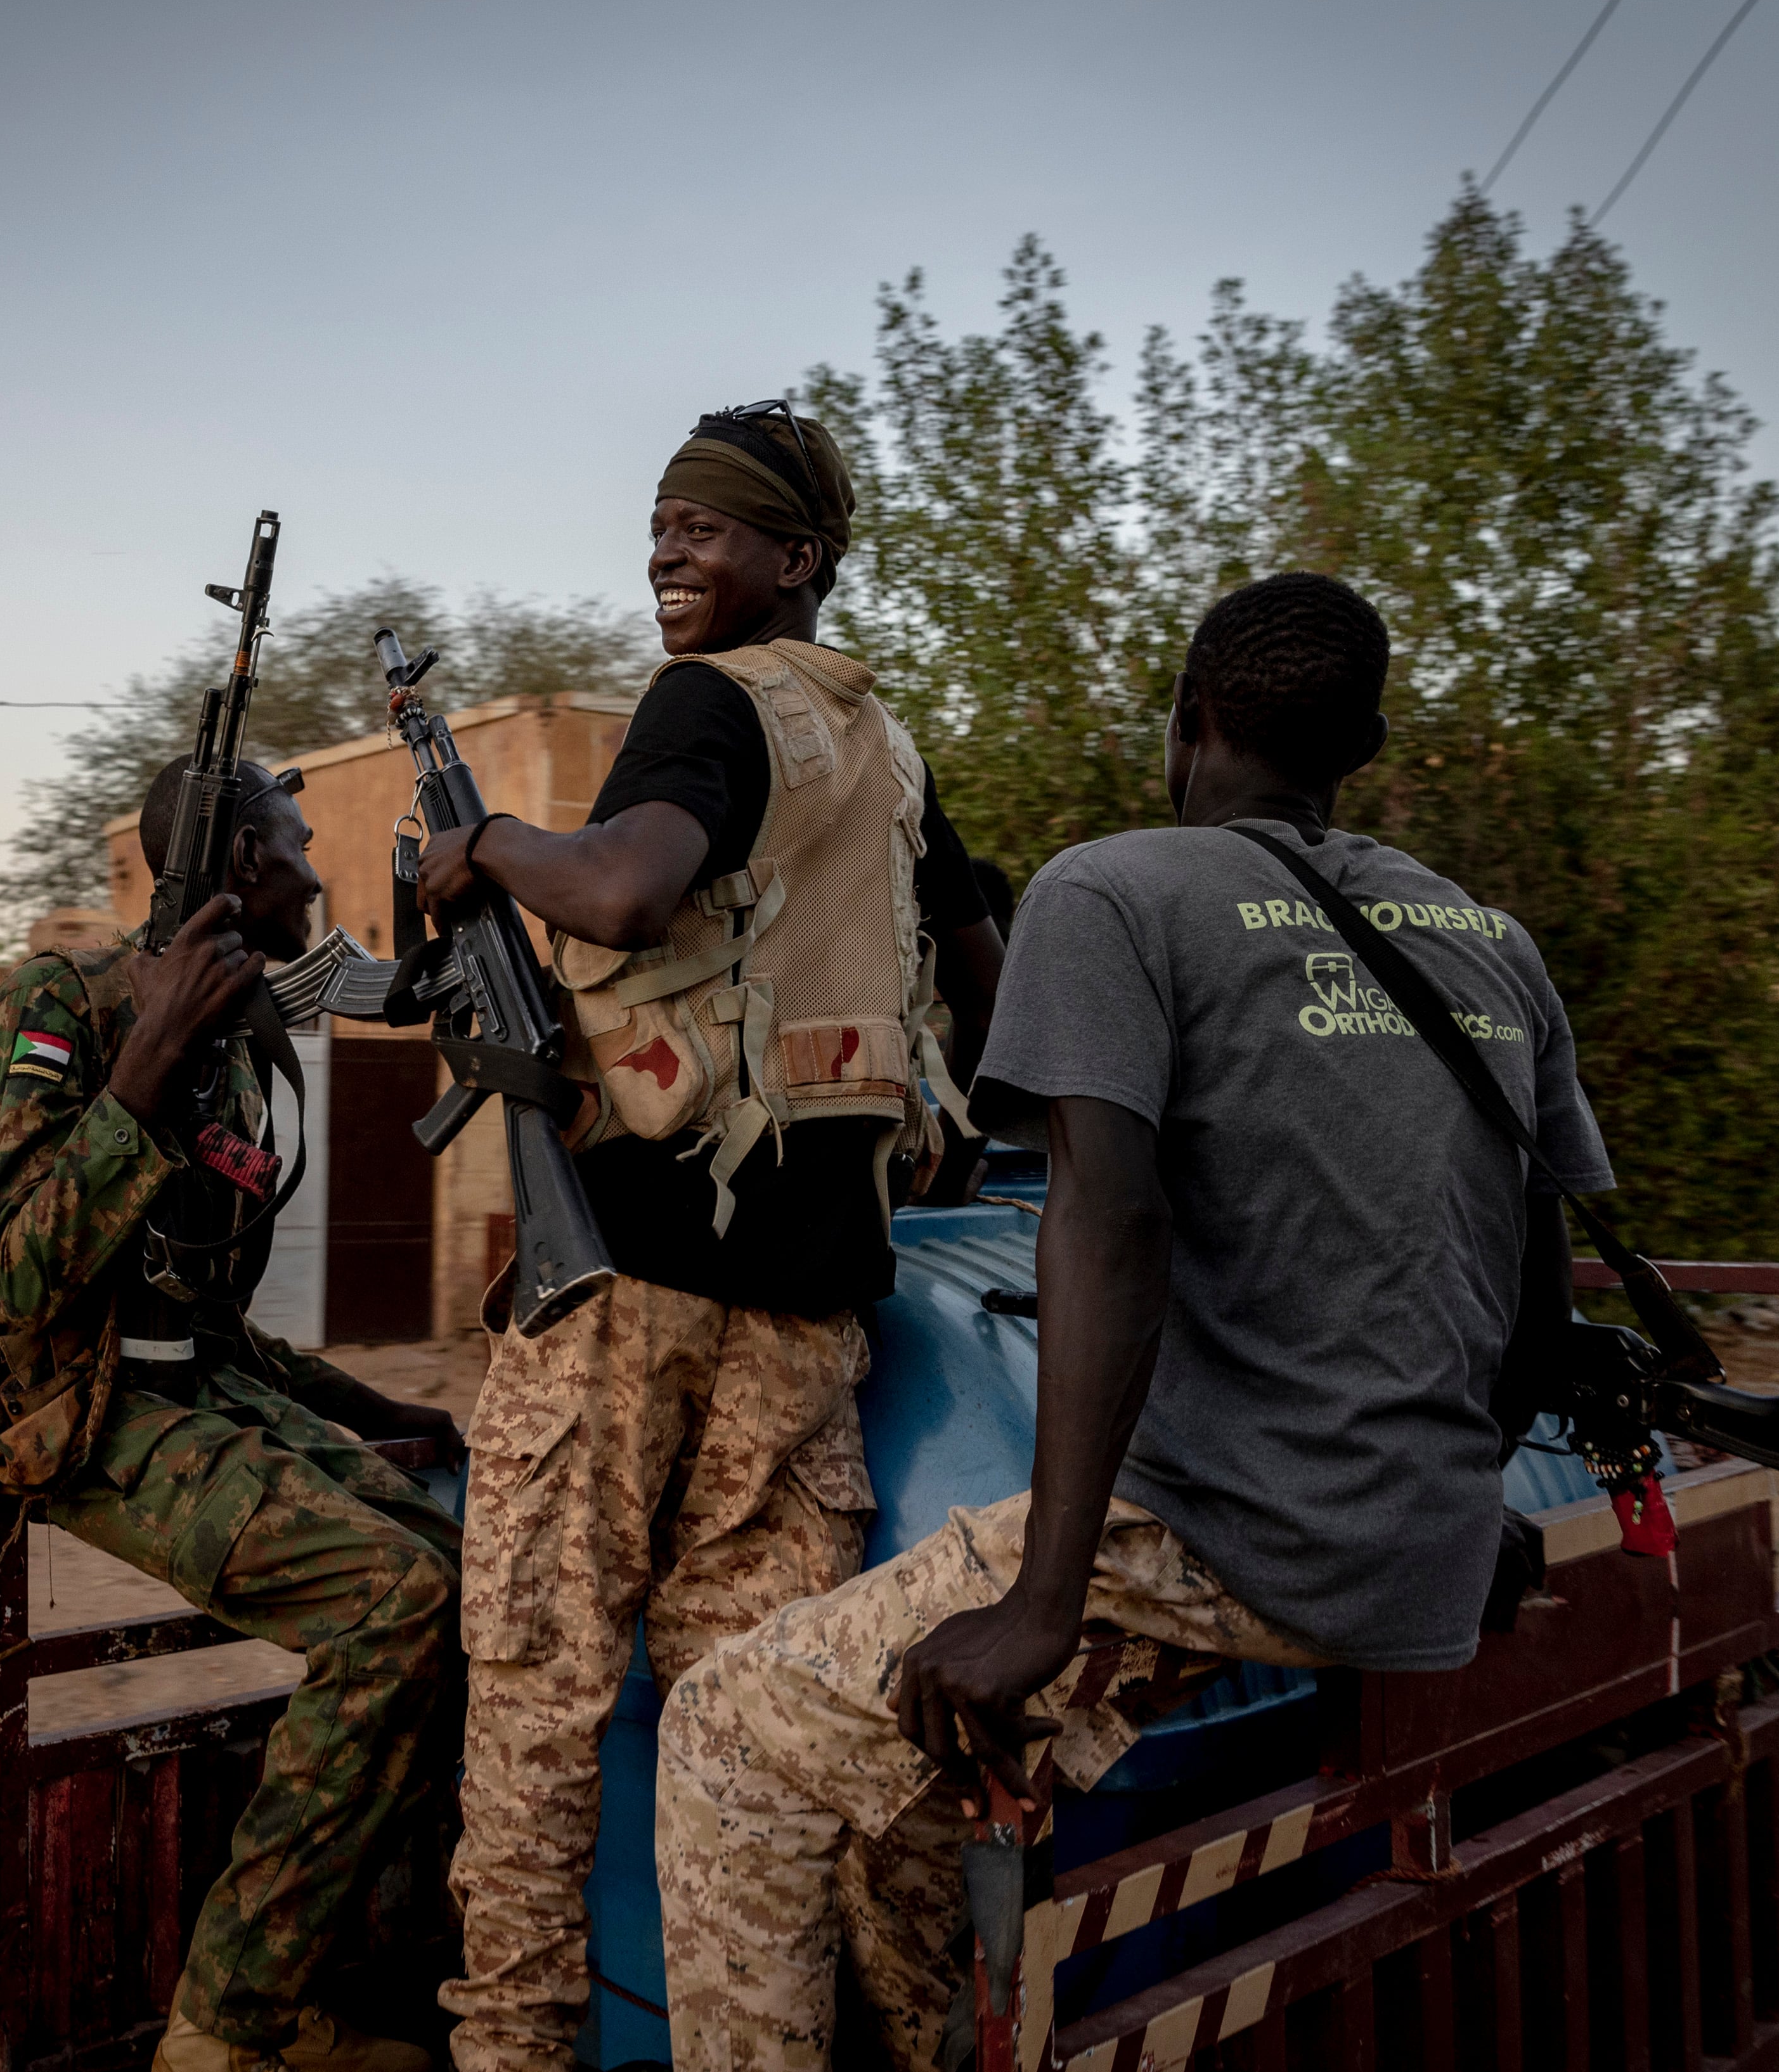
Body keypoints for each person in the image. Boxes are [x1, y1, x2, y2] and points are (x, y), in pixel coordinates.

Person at [650, 572, 1615, 2072]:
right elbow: (1534, 1304)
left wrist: (1042, 1599)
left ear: (1189, 719)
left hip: (1222, 1541)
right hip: (1418, 1555)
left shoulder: (1110, 893)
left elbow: (1106, 1218)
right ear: (1356, 741)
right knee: (898, 1745)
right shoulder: (1486, 937)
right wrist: (1441, 1501)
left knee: (721, 1731)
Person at [412, 401, 1005, 2072]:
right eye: (660, 525)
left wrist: (481, 849)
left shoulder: (713, 701)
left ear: (795, 559)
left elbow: (618, 890)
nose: (668, 551)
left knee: (533, 1715)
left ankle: (521, 2054)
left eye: (707, 528)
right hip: (807, 1323)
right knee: (764, 1756)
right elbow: (989, 973)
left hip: (625, 1295)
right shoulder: (880, 749)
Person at [0, 761, 466, 2072]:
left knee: (456, 1569)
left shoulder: (242, 1037)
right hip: (64, 1401)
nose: (317, 875)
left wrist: (371, 1406)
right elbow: (10, 1277)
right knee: (390, 1601)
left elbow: (203, 1311)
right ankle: (223, 2031)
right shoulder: (56, 1007)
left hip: (182, 1384)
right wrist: (144, 1064)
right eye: (297, 849)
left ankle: (332, 1984)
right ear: (243, 865)